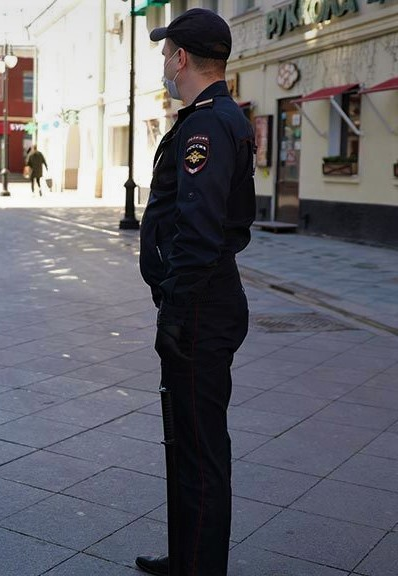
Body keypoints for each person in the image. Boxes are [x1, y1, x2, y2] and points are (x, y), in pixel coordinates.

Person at [136, 9, 255, 576]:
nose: (164, 62)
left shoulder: (206, 126)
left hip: (202, 307)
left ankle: (200, 567)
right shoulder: (208, 117)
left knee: (201, 449)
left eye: (166, 53)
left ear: (181, 57)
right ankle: (187, 554)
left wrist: (178, 313)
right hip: (200, 303)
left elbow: (201, 230)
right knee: (182, 440)